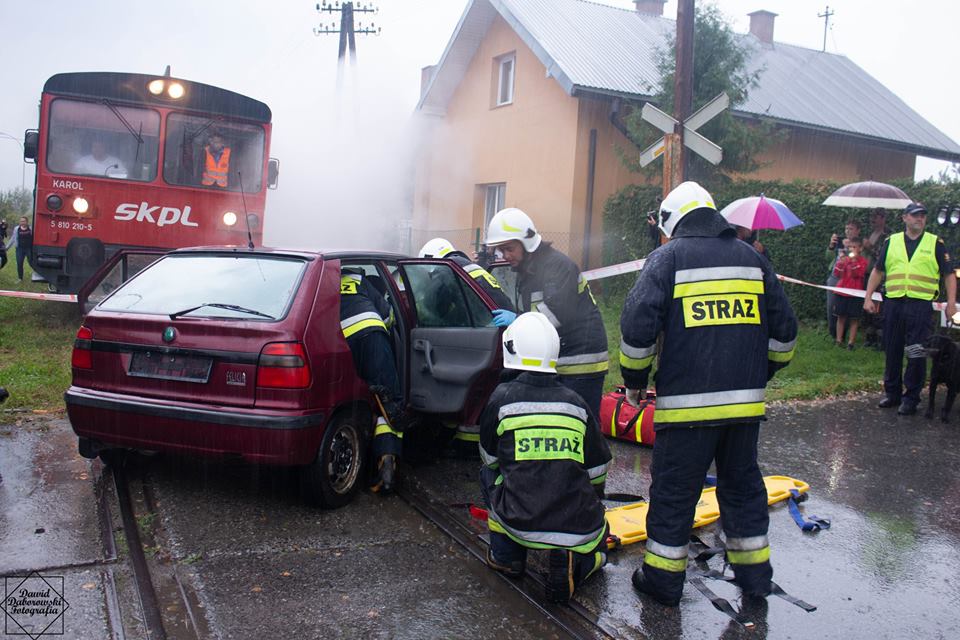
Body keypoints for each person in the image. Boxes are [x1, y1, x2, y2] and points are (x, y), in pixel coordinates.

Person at [619, 181, 798, 607]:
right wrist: (762, 373)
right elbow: (786, 332)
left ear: (672, 221)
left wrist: (635, 381)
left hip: (686, 411)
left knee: (675, 493)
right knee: (741, 490)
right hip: (744, 409)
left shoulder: (669, 257)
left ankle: (662, 582)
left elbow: (637, 326)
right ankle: (755, 579)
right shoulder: (752, 258)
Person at [479, 311, 611, 603]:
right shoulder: (576, 404)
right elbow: (598, 468)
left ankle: (507, 556)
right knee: (600, 548)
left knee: (487, 474)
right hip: (576, 526)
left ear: (510, 349)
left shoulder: (501, 399)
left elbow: (489, 459)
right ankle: (579, 564)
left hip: (518, 519)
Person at [483, 208, 608, 418]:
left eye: (509, 248)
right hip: (561, 356)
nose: (504, 255)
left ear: (526, 243)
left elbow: (557, 313)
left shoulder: (558, 266)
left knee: (583, 425)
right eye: (501, 250)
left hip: (581, 360)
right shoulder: (529, 269)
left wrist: (518, 320)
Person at [863, 202, 957, 416]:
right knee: (892, 348)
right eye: (915, 215)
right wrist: (868, 297)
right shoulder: (891, 242)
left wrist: (951, 303)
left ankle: (911, 398)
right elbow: (878, 271)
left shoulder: (935, 243)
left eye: (923, 216)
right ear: (904, 218)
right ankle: (893, 393)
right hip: (894, 303)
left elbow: (949, 274)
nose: (919, 219)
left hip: (920, 305)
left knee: (915, 351)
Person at [339, 267, 404, 493]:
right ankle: (387, 465)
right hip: (373, 337)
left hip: (343, 340)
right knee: (390, 404)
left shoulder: (322, 278)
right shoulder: (358, 278)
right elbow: (389, 316)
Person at [418, 237, 515, 312]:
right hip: (504, 315)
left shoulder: (446, 269)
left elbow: (434, 308)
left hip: (492, 321)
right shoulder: (463, 264)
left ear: (431, 259)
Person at [861, 209, 891, 350]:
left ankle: (880, 339)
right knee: (868, 307)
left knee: (879, 308)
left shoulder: (888, 235)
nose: (873, 220)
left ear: (883, 219)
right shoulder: (869, 234)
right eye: (872, 217)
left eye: (876, 217)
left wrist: (870, 248)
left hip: (880, 276)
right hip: (866, 274)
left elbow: (883, 256)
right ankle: (869, 337)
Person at [826, 220, 862, 339]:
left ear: (858, 231)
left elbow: (861, 262)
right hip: (835, 278)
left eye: (851, 229)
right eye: (846, 228)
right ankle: (833, 334)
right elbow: (828, 258)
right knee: (832, 306)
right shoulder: (840, 242)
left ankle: (843, 336)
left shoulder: (859, 245)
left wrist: (849, 250)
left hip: (850, 281)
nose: (847, 231)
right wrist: (831, 246)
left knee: (846, 309)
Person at [832, 237, 868, 349]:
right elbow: (837, 274)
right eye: (849, 247)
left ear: (860, 248)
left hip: (855, 293)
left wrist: (853, 263)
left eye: (854, 247)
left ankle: (851, 343)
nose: (851, 249)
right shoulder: (845, 260)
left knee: (854, 318)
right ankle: (839, 340)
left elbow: (858, 274)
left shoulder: (863, 261)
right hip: (842, 291)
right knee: (840, 316)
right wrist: (840, 264)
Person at [5, 216, 35, 283]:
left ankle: (38, 275)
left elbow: (35, 238)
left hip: (28, 249)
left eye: (24, 221)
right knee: (19, 263)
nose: (22, 222)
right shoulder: (16, 229)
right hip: (19, 249)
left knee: (31, 262)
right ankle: (20, 278)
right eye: (21, 221)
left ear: (27, 222)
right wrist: (7, 247)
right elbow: (13, 238)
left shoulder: (30, 229)